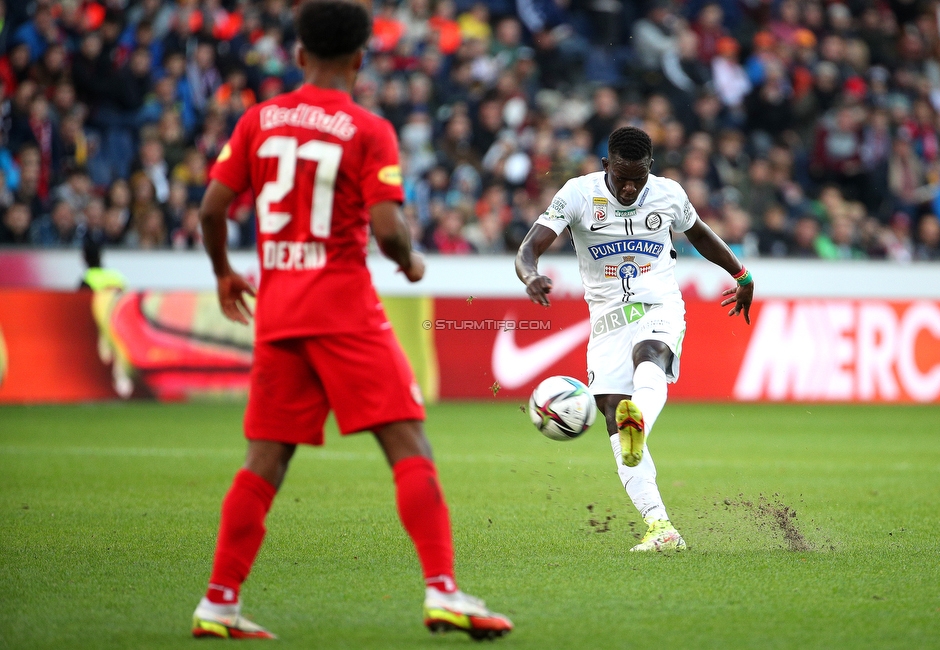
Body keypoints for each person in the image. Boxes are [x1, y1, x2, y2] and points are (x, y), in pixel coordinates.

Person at [192, 0, 511, 641]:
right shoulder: (367, 128)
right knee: (408, 446)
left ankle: (218, 604)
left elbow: (211, 208)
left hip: (279, 312)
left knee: (264, 460)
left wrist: (226, 272)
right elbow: (389, 226)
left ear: (300, 55)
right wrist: (412, 261)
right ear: (362, 60)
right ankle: (444, 591)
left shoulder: (259, 120)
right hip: (342, 308)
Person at [515, 126, 754, 552]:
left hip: (658, 303)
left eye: (638, 179)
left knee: (651, 355)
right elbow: (529, 247)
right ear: (606, 165)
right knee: (610, 410)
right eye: (621, 177)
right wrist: (531, 274)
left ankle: (637, 418)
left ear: (650, 170)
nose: (629, 187)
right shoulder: (577, 194)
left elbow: (698, 233)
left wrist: (741, 273)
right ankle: (661, 528)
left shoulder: (668, 194)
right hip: (606, 317)